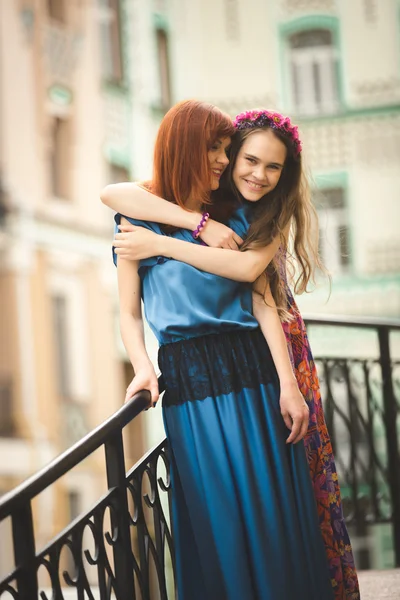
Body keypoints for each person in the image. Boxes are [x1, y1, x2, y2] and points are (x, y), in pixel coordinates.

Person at [104, 100, 358, 599]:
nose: (224, 159)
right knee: (218, 519)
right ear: (184, 150)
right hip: (191, 387)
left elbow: (263, 302)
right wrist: (141, 367)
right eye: (215, 149)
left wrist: (289, 386)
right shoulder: (137, 219)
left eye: (226, 149)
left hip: (255, 376)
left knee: (273, 514)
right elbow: (129, 312)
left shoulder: (242, 216)